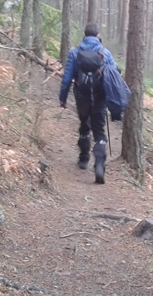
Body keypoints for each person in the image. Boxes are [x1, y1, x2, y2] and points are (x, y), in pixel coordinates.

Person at [59, 23, 116, 184]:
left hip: (81, 96)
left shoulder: (75, 53)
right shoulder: (105, 53)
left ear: (84, 36)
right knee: (99, 131)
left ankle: (84, 158)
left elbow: (66, 78)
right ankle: (99, 165)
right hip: (100, 98)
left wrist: (62, 98)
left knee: (84, 124)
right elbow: (113, 78)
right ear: (98, 36)